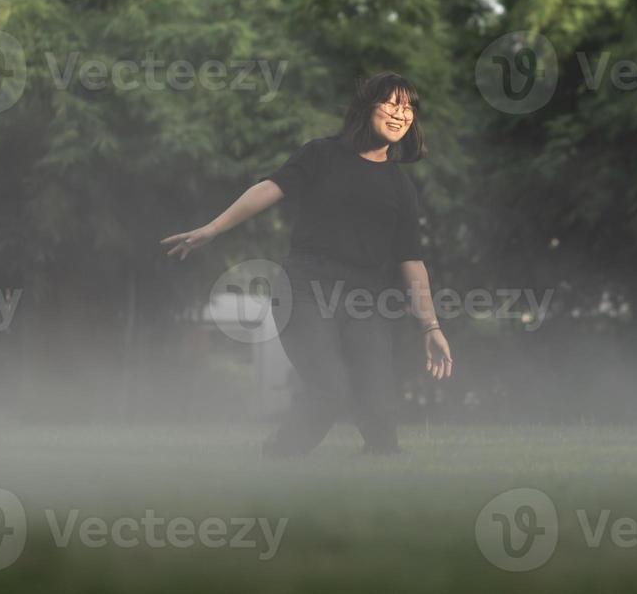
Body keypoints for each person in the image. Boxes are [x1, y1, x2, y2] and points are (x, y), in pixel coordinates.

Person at [161, 71, 453, 456]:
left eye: (409, 107)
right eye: (392, 103)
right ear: (367, 107)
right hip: (304, 289)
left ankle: (378, 483)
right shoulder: (322, 154)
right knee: (329, 390)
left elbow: (412, 262)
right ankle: (278, 461)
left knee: (380, 410)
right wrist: (213, 228)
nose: (402, 113)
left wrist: (430, 326)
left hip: (365, 301)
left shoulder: (400, 187)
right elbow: (269, 188)